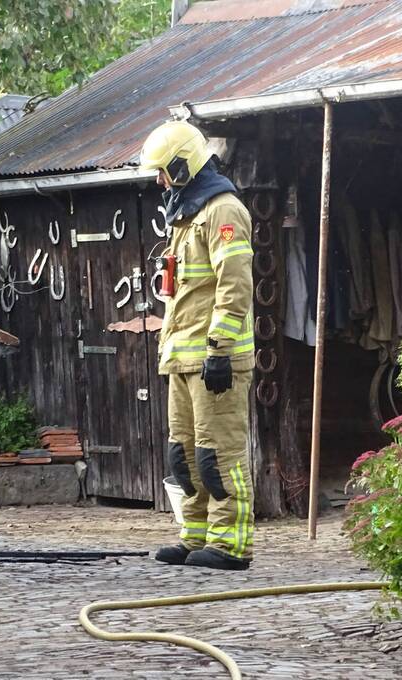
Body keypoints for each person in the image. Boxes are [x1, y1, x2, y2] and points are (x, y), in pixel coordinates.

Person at [140, 120, 256, 570]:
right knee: (184, 455)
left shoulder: (224, 211)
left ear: (182, 167)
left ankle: (230, 544)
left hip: (214, 359)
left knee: (218, 453)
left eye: (162, 172)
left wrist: (220, 349)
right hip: (183, 360)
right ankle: (195, 536)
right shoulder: (187, 217)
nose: (158, 181)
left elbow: (235, 284)